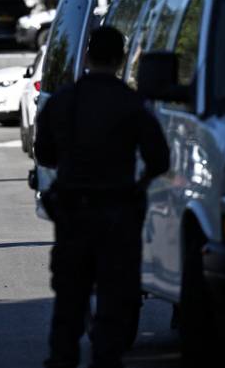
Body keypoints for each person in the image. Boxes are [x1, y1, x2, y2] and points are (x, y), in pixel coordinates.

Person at [34, 26, 170, 368]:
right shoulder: (132, 103)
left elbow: (45, 154)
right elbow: (159, 160)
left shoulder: (64, 100)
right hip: (118, 215)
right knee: (114, 300)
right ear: (120, 58)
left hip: (72, 215)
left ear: (88, 56)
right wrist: (136, 187)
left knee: (69, 299)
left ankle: (62, 358)